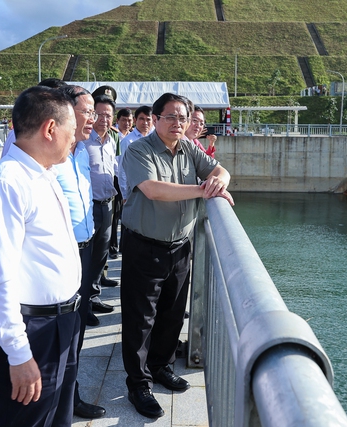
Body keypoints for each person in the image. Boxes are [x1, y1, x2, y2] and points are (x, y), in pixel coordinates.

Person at [0, 86, 81, 427]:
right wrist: (19, 355)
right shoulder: (6, 183)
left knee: (55, 417)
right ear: (50, 129)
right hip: (31, 330)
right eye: (71, 131)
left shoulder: (43, 174)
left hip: (61, 322)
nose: (74, 140)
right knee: (22, 420)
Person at [120, 93, 233, 419]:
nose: (178, 123)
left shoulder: (188, 148)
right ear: (155, 119)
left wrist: (218, 183)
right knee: (140, 319)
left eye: (182, 118)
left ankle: (161, 366)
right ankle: (138, 384)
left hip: (180, 247)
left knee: (171, 313)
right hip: (145, 246)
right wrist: (203, 189)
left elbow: (221, 171)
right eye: (170, 117)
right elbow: (154, 190)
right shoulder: (139, 149)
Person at [54, 85, 107, 419]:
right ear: (66, 112)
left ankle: (70, 398)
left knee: (77, 331)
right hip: (62, 255)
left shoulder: (82, 152)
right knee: (59, 334)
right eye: (88, 111)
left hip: (84, 252)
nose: (95, 118)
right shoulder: (51, 159)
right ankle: (56, 401)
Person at [82, 93, 119, 317]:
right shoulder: (83, 141)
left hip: (108, 204)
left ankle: (93, 296)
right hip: (89, 206)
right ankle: (83, 303)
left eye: (109, 115)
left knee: (101, 255)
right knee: (86, 255)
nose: (104, 119)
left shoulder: (111, 140)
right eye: (100, 114)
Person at [109, 108, 132, 259]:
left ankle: (124, 245)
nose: (127, 123)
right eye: (123, 120)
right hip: (116, 178)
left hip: (129, 179)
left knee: (127, 213)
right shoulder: (113, 135)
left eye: (129, 120)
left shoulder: (133, 137)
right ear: (118, 121)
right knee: (115, 215)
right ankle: (112, 247)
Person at [118, 105, 154, 199]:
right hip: (133, 192)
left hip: (151, 191)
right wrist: (125, 195)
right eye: (141, 119)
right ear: (135, 120)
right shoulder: (128, 141)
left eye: (148, 119)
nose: (145, 123)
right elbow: (122, 170)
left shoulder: (154, 140)